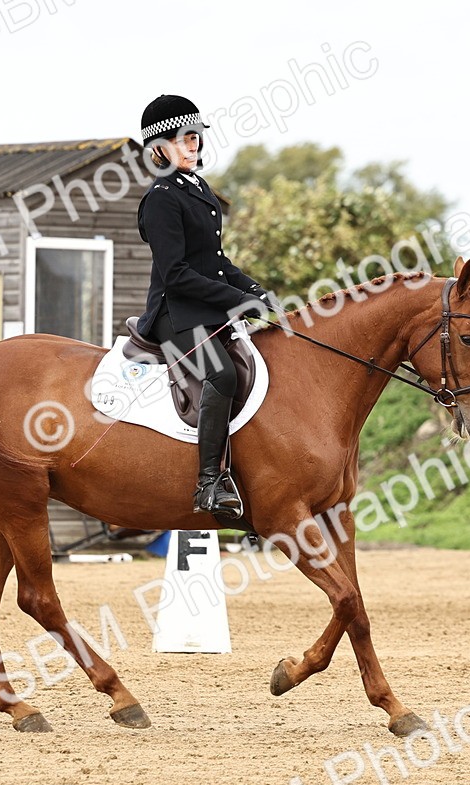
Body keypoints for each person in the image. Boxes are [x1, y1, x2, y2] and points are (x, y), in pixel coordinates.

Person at [135, 94, 276, 519]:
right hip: (173, 315)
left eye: (195, 136)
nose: (192, 144)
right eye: (182, 138)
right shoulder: (160, 197)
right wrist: (237, 300)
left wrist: (258, 292)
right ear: (159, 148)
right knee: (222, 372)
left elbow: (216, 264)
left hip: (204, 311)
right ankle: (209, 483)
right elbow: (176, 274)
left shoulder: (198, 190)